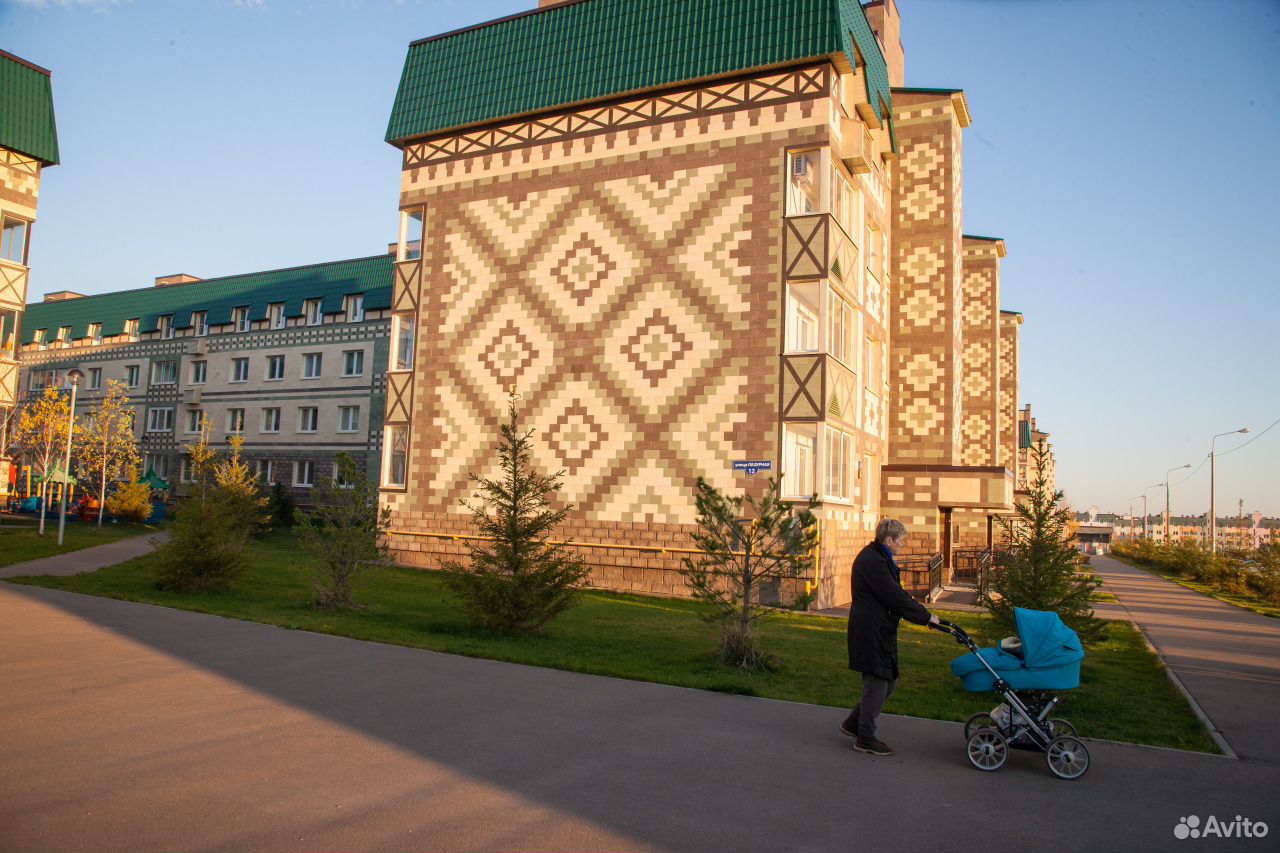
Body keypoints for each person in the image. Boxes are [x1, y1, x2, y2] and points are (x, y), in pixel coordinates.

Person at [841, 518, 938, 756]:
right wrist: (925, 617)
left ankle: (854, 722)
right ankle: (865, 737)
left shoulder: (880, 557)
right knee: (878, 680)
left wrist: (923, 615)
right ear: (889, 539)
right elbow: (893, 596)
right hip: (870, 630)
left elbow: (896, 593)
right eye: (901, 541)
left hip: (879, 629)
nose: (902, 546)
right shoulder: (873, 561)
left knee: (889, 679)